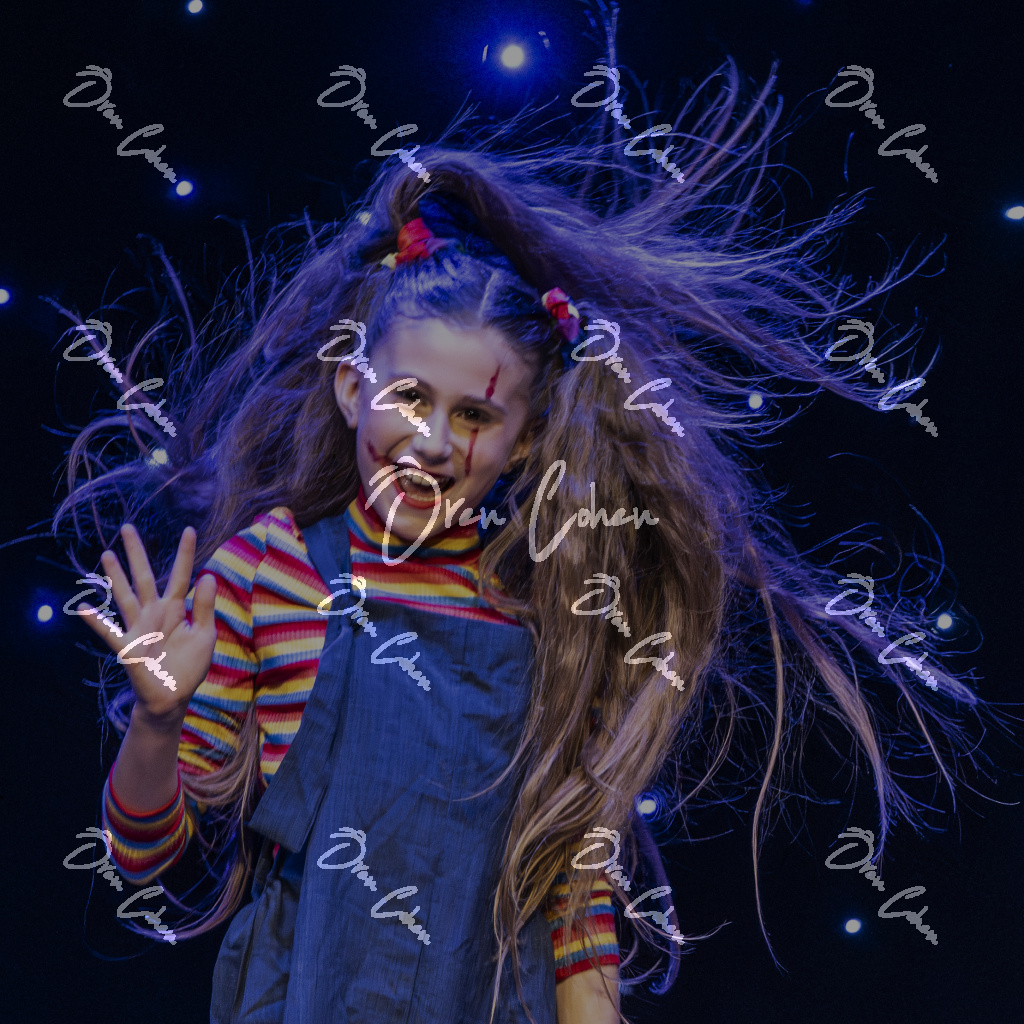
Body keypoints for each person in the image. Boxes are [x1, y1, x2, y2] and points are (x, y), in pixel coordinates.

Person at [58, 60, 980, 1024]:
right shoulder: (268, 569)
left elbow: (572, 899)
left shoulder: (554, 611)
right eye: (408, 397)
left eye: (474, 416)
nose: (430, 441)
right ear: (351, 389)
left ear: (527, 439)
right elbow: (142, 853)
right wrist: (156, 720)